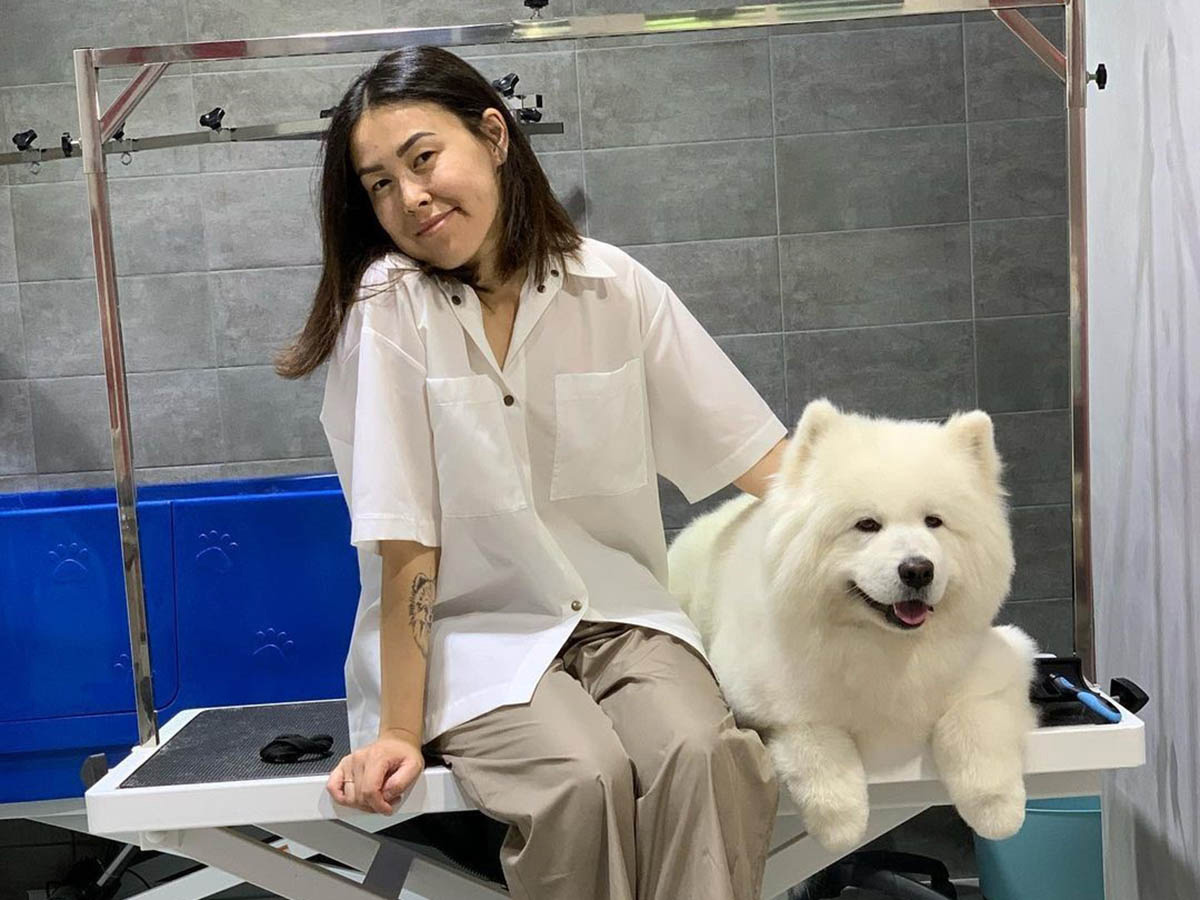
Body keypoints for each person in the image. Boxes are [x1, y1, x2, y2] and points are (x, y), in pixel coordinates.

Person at [276, 45, 789, 900]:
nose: (410, 198)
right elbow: (406, 539)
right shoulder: (389, 307)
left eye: (423, 159)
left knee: (704, 754)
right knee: (579, 779)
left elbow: (764, 463)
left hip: (623, 620)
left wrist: (901, 537)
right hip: (471, 638)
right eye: (380, 185)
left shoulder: (613, 286)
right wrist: (399, 729)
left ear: (493, 136)